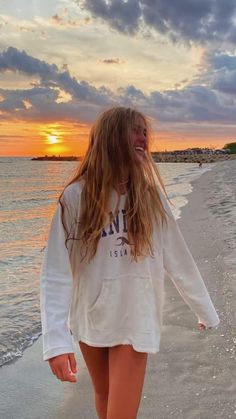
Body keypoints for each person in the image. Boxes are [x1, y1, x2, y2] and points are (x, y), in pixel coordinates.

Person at [40, 106, 219, 419]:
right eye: (134, 130)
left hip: (135, 313)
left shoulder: (150, 197)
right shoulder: (76, 197)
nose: (143, 137)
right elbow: (56, 272)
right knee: (104, 395)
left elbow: (178, 256)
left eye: (145, 131)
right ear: (111, 138)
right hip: (91, 314)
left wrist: (203, 308)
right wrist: (56, 341)